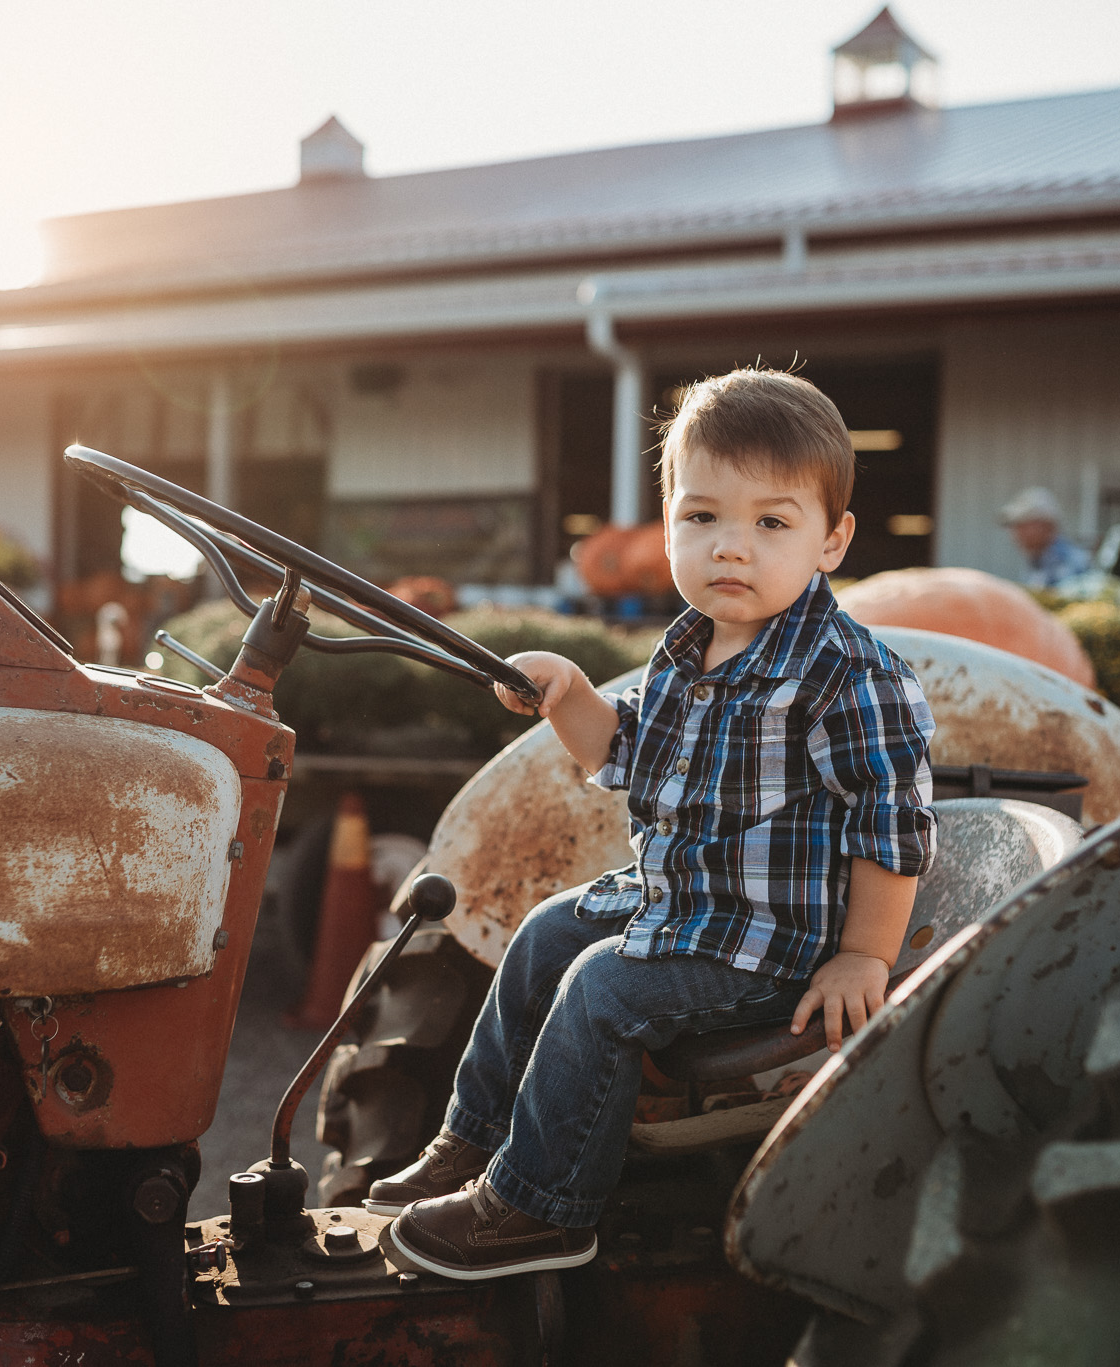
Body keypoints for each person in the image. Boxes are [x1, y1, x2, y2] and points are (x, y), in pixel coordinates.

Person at [374, 368, 939, 1281]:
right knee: (545, 930)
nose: (731, 547)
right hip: (684, 904)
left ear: (831, 541)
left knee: (602, 986)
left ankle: (542, 1207)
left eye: (771, 522)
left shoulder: (851, 674)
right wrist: (568, 693)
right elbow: (630, 756)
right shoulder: (686, 648)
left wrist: (864, 955)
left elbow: (892, 825)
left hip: (776, 942)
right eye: (702, 516)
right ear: (667, 522)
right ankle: (471, 1138)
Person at [999, 486, 1090, 590]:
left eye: (1021, 526)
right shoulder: (1038, 561)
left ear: (1046, 526)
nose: (1016, 534)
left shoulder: (1069, 562)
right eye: (1014, 527)